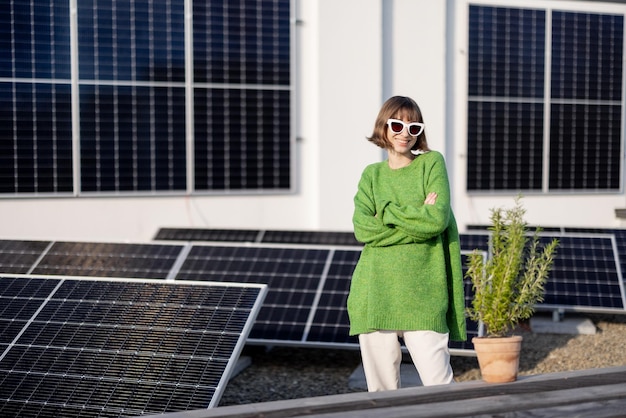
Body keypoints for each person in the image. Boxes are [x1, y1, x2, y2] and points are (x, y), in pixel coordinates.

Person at [347, 95, 467, 391]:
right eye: (397, 124)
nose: (405, 133)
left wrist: (385, 212)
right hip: (375, 293)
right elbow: (363, 229)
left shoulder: (431, 163)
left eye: (413, 127)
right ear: (383, 127)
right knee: (382, 395)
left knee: (441, 388)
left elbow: (436, 220)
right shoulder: (371, 175)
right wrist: (416, 219)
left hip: (424, 293)